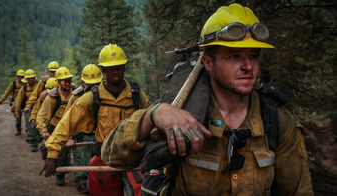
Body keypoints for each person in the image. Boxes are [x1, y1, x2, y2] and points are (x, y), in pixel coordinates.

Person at [102, 3, 314, 196]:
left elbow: (298, 190)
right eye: (234, 56)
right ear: (208, 63)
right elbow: (111, 156)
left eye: (253, 56)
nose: (248, 66)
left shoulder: (276, 119)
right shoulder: (181, 111)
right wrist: (153, 114)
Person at [40, 44, 151, 196]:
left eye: (118, 66)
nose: (115, 71)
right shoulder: (91, 98)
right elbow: (66, 124)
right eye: (110, 67)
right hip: (105, 158)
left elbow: (150, 121)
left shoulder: (136, 95)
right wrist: (52, 155)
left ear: (124, 67)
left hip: (134, 159)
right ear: (103, 70)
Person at [61, 64, 102, 194]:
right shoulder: (76, 97)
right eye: (90, 83)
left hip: (100, 134)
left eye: (96, 83)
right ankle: (82, 182)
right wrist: (68, 138)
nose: (93, 86)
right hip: (83, 134)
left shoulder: (105, 95)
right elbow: (66, 119)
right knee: (82, 159)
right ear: (84, 82)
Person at [36, 67, 75, 186]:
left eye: (69, 80)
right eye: (64, 81)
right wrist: (43, 131)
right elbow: (42, 116)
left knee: (72, 156)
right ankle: (60, 175)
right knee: (58, 155)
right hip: (57, 129)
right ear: (58, 82)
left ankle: (75, 178)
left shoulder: (77, 94)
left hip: (73, 129)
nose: (67, 83)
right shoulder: (52, 98)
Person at [14, 69, 40, 152]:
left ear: (34, 77)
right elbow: (19, 100)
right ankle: (34, 144)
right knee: (30, 127)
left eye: (32, 78)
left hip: (40, 109)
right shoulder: (24, 88)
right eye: (28, 78)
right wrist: (17, 113)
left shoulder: (39, 85)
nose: (30, 79)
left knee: (40, 127)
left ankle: (40, 141)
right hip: (28, 110)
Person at [0, 69, 25, 135]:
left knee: (29, 119)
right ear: (17, 76)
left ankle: (30, 132)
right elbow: (7, 93)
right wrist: (2, 100)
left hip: (25, 103)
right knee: (17, 119)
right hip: (16, 103)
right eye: (20, 76)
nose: (21, 78)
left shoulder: (27, 84)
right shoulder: (13, 84)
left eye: (22, 77)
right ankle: (19, 131)